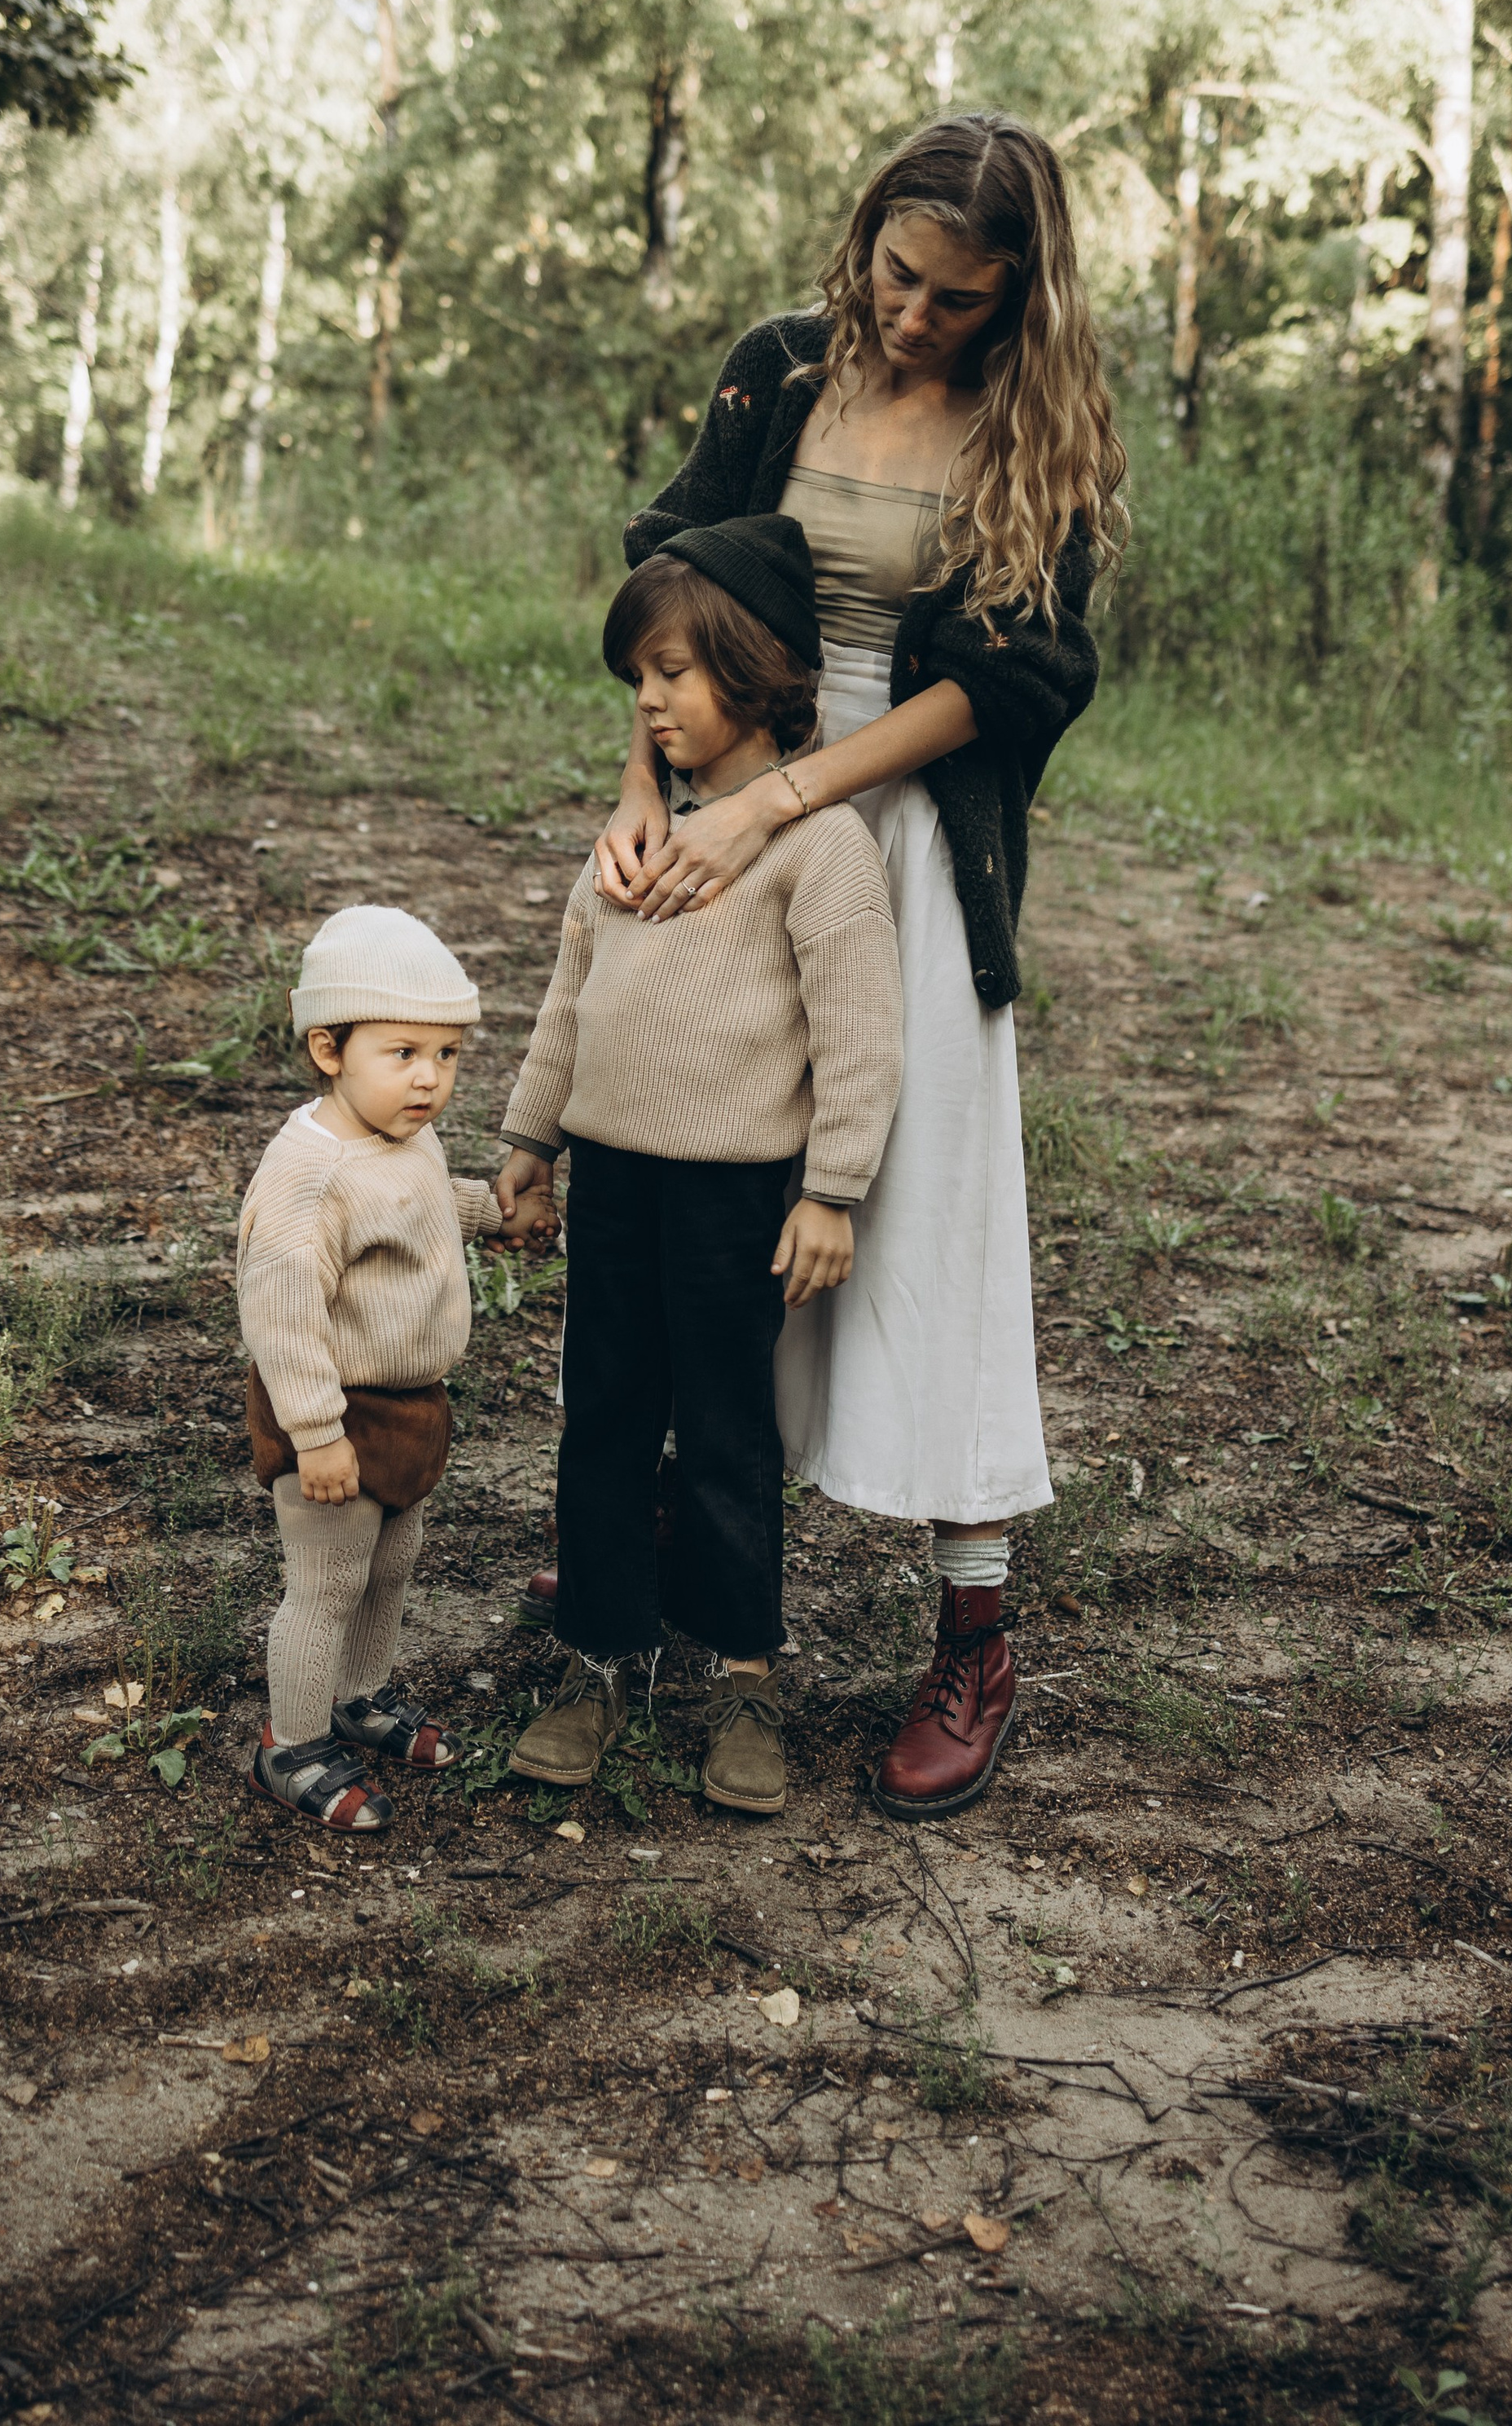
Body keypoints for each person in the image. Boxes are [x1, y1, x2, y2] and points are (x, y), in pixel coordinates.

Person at [583, 112, 1127, 1821]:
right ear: (866, 237)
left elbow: (1012, 681)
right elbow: (673, 578)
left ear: (1018, 296)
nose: (911, 316)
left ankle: (973, 1630)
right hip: (733, 809)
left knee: (922, 1215)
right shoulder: (779, 370)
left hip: (907, 839)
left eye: (958, 299)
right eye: (897, 275)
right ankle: (671, 1544)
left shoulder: (1035, 427)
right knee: (704, 1175)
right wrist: (651, 791)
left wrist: (788, 802)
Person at [494, 517, 903, 1821]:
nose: (648, 703)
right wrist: (529, 1142)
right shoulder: (630, 839)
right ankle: (599, 1656)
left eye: (670, 673)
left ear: (755, 670)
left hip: (735, 1197)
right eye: (637, 680)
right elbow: (570, 1003)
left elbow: (859, 1035)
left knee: (728, 1431)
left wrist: (833, 1191)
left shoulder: (820, 849)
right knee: (605, 1418)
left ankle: (744, 1677)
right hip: (613, 1183)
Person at [239, 905, 552, 1831]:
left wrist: (490, 1214)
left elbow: (416, 1203)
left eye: (447, 1055)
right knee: (328, 1580)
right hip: (333, 1412)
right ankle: (291, 1744)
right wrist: (315, 1434)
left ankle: (358, 1696)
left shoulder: (401, 1138)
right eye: (404, 1053)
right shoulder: (309, 1177)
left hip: (411, 1408)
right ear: (328, 1049)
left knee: (389, 1564)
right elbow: (283, 1316)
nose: (429, 1078)